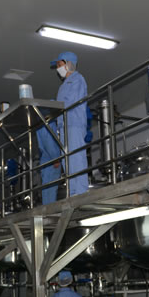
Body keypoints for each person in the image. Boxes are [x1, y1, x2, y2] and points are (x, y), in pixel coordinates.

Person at [51, 51, 89, 197]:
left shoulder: (78, 79)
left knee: (76, 158)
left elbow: (71, 102)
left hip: (74, 124)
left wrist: (55, 106)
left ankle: (81, 192)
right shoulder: (62, 86)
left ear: (69, 64)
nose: (58, 68)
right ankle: (72, 192)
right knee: (67, 161)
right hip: (64, 126)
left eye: (59, 64)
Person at [37, 120, 61, 204]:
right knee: (51, 190)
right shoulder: (47, 121)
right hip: (51, 160)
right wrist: (56, 158)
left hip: (46, 159)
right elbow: (48, 141)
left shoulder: (39, 123)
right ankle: (50, 209)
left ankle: (47, 209)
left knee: (47, 190)